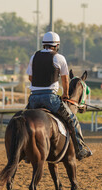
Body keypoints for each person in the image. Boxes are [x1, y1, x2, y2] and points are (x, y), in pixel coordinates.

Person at [26, 31, 92, 161]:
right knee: (72, 120)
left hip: (33, 99)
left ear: (43, 44)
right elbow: (65, 81)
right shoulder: (59, 58)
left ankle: (26, 151)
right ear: (56, 45)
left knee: (24, 121)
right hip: (50, 98)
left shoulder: (34, 57)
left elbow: (30, 77)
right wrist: (66, 95)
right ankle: (80, 149)